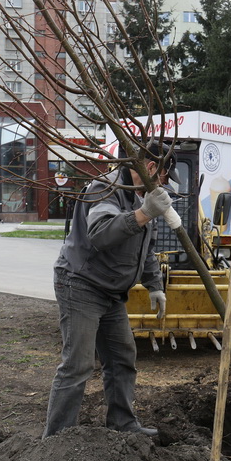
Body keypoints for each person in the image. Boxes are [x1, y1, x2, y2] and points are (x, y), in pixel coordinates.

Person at [42, 142, 177, 438]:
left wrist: (155, 285)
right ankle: (56, 440)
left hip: (111, 292)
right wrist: (143, 213)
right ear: (151, 168)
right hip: (81, 284)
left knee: (121, 357)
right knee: (77, 365)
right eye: (165, 175)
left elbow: (146, 248)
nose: (165, 183)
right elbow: (101, 233)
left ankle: (122, 423)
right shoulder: (105, 188)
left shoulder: (140, 197)